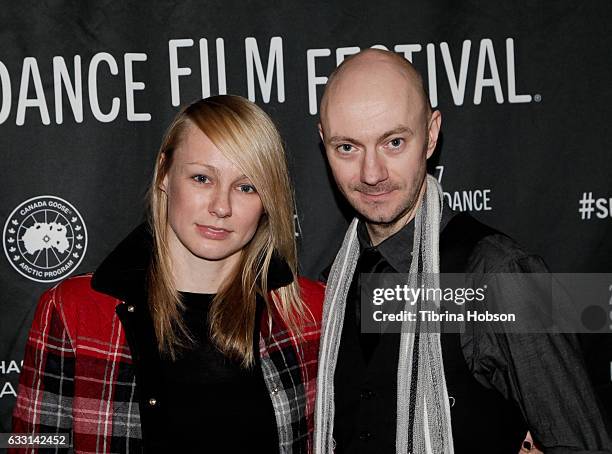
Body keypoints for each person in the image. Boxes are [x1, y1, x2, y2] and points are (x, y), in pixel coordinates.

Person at [313, 49, 612, 453]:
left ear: (431, 134)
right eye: (347, 147)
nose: (371, 173)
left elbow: (581, 444)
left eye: (394, 142)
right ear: (323, 143)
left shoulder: (500, 275)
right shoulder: (337, 281)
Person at [11, 95, 324, 453]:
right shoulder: (73, 310)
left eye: (246, 186)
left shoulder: (312, 314)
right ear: (164, 174)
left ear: (268, 200)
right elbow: (29, 441)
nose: (221, 207)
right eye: (202, 178)